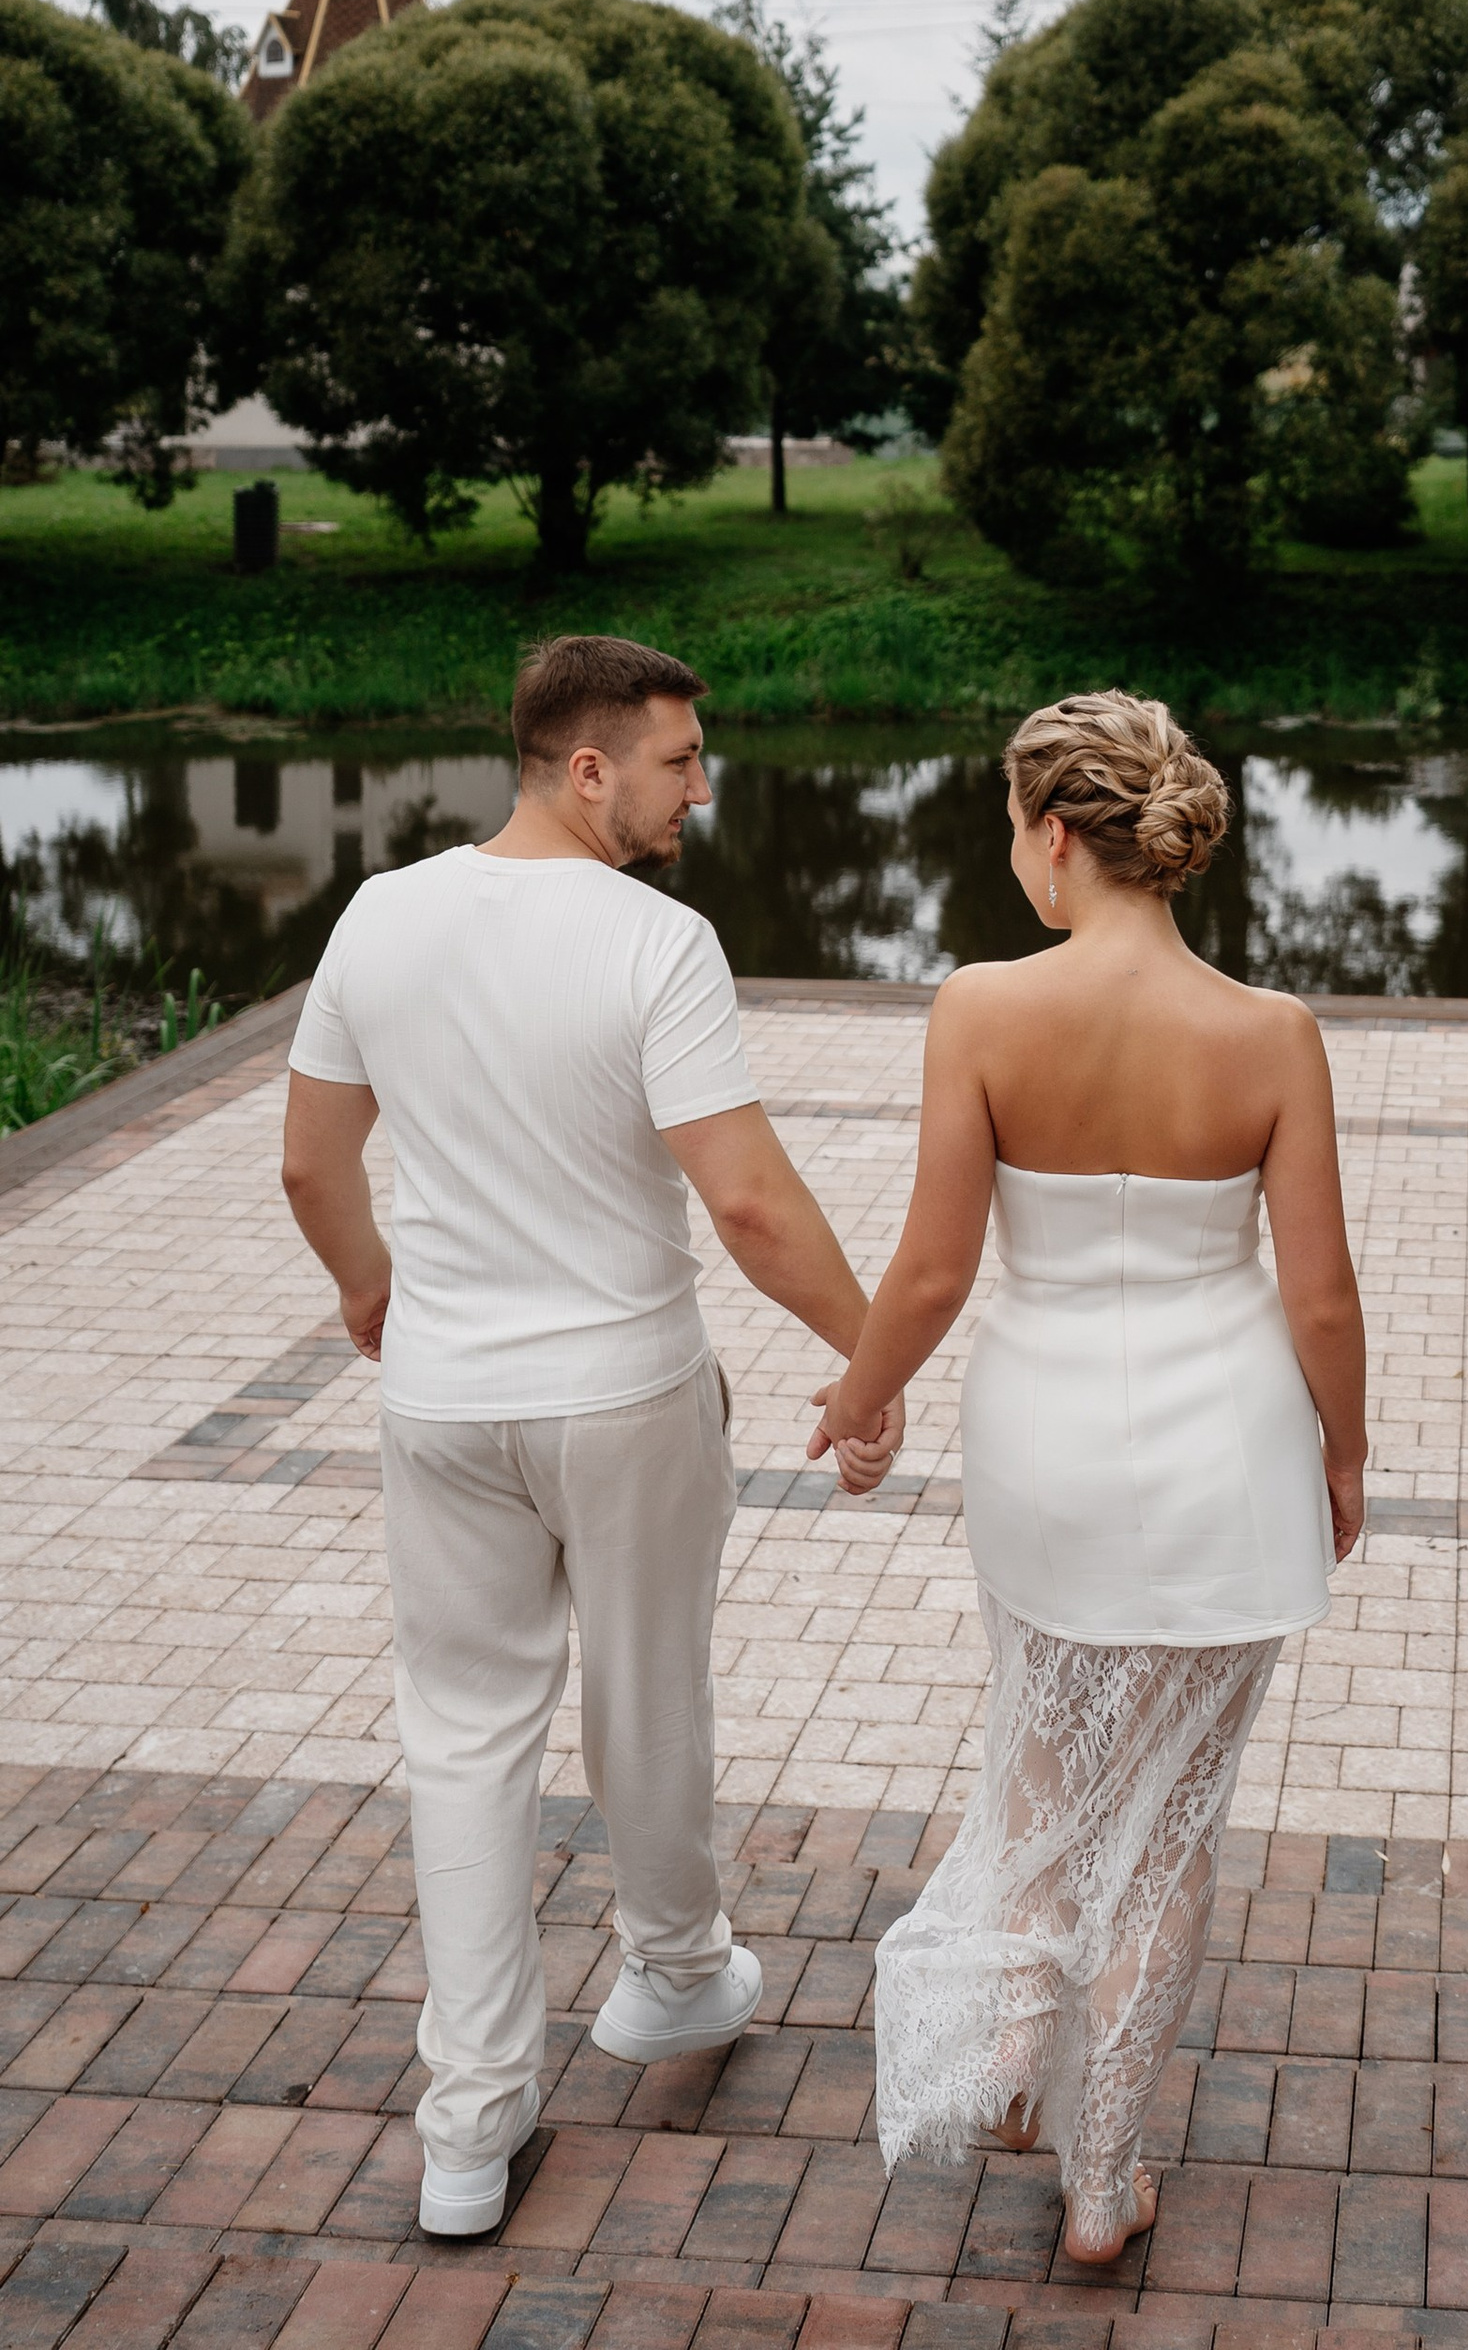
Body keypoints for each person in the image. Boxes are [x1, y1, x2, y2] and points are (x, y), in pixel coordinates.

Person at [279, 633, 903, 2243]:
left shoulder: (379, 913)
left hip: (441, 1397)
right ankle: (676, 1977)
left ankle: (472, 2128)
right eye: (683, 760)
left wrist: (370, 1290)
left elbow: (309, 1161)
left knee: (465, 1742)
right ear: (588, 768)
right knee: (648, 1691)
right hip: (623, 1391)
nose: (705, 786)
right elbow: (751, 1205)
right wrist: (872, 1358)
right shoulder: (658, 943)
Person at [813, 687, 1366, 2266]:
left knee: (1048, 1775)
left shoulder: (982, 1009)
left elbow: (929, 1269)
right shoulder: (1272, 1036)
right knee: (1172, 1831)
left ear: (1056, 834)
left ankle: (1007, 2074)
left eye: (1012, 829)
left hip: (1046, 1444)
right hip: (1229, 1459)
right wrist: (1345, 1453)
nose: (1014, 858)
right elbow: (1320, 1299)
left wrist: (857, 1403)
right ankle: (1105, 2178)